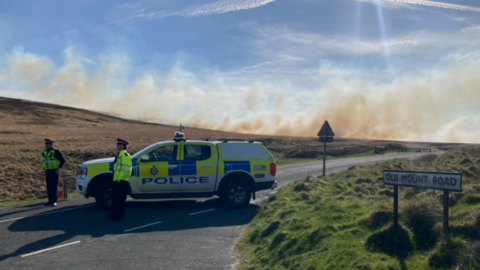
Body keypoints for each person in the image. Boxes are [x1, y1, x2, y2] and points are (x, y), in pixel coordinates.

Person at [109, 138, 132, 221]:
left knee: (120, 199)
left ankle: (120, 216)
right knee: (114, 198)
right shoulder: (120, 155)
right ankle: (114, 213)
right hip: (116, 180)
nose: (116, 146)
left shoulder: (125, 156)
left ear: (122, 145)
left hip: (120, 181)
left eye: (118, 144)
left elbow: (126, 170)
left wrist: (119, 179)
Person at [41, 139, 66, 207]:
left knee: (54, 187)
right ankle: (49, 201)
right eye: (45, 144)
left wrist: (58, 169)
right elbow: (43, 161)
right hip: (48, 171)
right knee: (49, 187)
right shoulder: (45, 152)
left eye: (47, 144)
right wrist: (44, 168)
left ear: (51, 144)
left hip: (55, 171)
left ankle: (54, 201)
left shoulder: (56, 152)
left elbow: (62, 160)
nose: (46, 145)